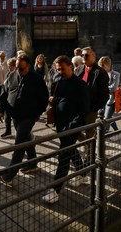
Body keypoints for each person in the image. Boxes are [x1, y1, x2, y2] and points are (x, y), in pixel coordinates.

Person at [42, 56, 90, 204]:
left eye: (62, 69)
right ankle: (82, 173)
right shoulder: (58, 83)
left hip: (72, 127)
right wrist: (53, 100)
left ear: (71, 66)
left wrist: (73, 126)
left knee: (63, 155)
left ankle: (55, 190)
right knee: (70, 151)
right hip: (61, 125)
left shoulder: (81, 85)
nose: (60, 71)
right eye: (58, 69)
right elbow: (59, 99)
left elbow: (84, 109)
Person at [0, 54, 49, 186]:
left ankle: (9, 175)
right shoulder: (11, 75)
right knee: (26, 137)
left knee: (19, 143)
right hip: (14, 114)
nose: (19, 72)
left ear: (28, 66)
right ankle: (32, 163)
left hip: (29, 116)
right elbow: (4, 92)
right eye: (17, 68)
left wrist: (39, 112)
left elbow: (44, 97)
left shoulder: (37, 79)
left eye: (21, 69)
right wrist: (2, 109)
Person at [74, 47, 110, 132]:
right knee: (74, 129)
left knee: (90, 132)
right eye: (82, 55)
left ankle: (92, 145)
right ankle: (87, 145)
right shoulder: (79, 69)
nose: (83, 57)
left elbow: (104, 94)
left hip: (91, 108)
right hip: (79, 106)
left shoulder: (100, 72)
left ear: (93, 57)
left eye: (86, 55)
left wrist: (95, 108)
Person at [98, 56, 120, 132]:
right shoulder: (100, 73)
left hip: (111, 100)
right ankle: (117, 130)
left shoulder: (116, 74)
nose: (101, 68)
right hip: (102, 99)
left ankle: (104, 134)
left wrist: (102, 88)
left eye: (103, 66)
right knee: (107, 117)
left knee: (106, 118)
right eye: (100, 66)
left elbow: (113, 88)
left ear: (108, 65)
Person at [0, 57, 17, 138]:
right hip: (8, 99)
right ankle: (8, 131)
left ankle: (25, 135)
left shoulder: (18, 75)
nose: (9, 67)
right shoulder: (8, 74)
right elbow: (4, 88)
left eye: (11, 66)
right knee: (7, 116)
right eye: (8, 65)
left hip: (15, 101)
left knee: (16, 119)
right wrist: (1, 108)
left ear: (15, 66)